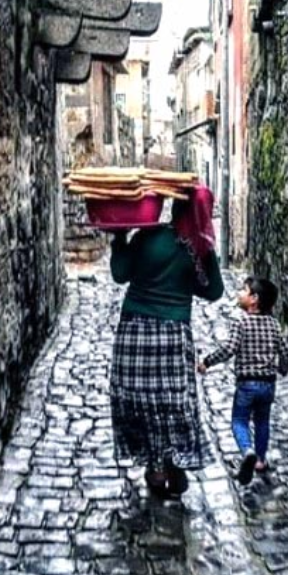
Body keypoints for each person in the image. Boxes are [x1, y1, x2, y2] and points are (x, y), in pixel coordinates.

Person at [109, 186, 224, 499]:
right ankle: (172, 459)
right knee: (171, 403)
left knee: (140, 401)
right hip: (172, 334)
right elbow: (214, 291)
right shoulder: (198, 247)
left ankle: (154, 465)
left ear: (173, 208)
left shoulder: (148, 236)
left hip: (134, 331)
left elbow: (120, 274)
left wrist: (119, 237)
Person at [198, 277, 288, 486]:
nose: (239, 293)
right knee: (262, 422)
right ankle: (260, 460)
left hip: (246, 384)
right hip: (268, 384)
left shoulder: (241, 323)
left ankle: (246, 450)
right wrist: (282, 369)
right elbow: (287, 355)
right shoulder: (274, 325)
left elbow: (229, 349)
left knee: (239, 421)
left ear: (254, 299)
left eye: (244, 290)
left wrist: (207, 362)